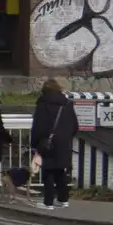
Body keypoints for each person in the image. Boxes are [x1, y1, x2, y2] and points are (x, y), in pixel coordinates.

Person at [29, 78, 79, 209]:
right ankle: (63, 200)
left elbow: (38, 126)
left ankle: (48, 202)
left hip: (46, 142)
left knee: (48, 172)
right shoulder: (67, 103)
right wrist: (66, 137)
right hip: (63, 142)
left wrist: (35, 143)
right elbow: (75, 125)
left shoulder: (42, 104)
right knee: (61, 171)